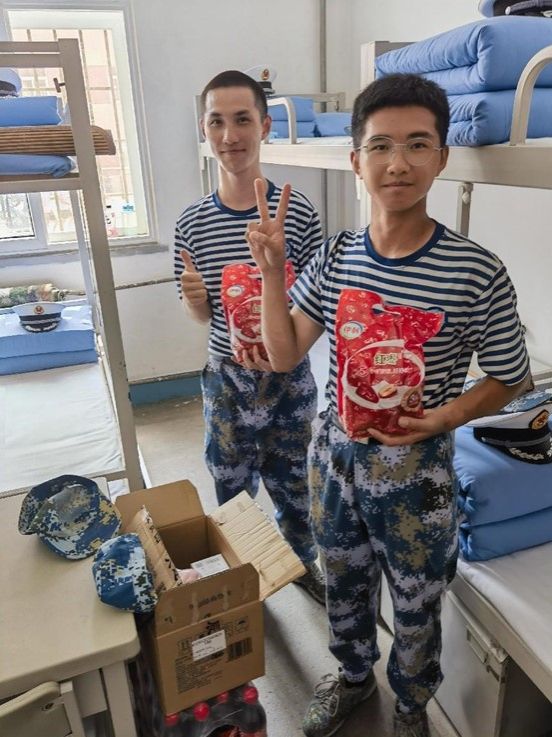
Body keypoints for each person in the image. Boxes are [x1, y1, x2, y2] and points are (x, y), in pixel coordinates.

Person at [246, 73, 531, 737]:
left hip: (418, 471)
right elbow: (284, 355)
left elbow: (512, 376)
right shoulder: (336, 256)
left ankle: (410, 707)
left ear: (442, 157)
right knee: (343, 580)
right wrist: (271, 273)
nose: (397, 163)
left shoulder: (475, 271)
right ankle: (352, 677)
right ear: (357, 160)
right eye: (380, 146)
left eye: (416, 144)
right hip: (335, 457)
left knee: (416, 597)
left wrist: (448, 416)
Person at [174, 70, 325, 603]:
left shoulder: (297, 212)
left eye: (242, 120)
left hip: (287, 377)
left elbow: (315, 306)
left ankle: (302, 564)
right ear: (204, 129)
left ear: (264, 126)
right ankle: (240, 575)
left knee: (295, 483)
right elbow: (201, 316)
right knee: (230, 485)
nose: (230, 135)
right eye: (217, 121)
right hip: (227, 379)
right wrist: (195, 300)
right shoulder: (192, 223)